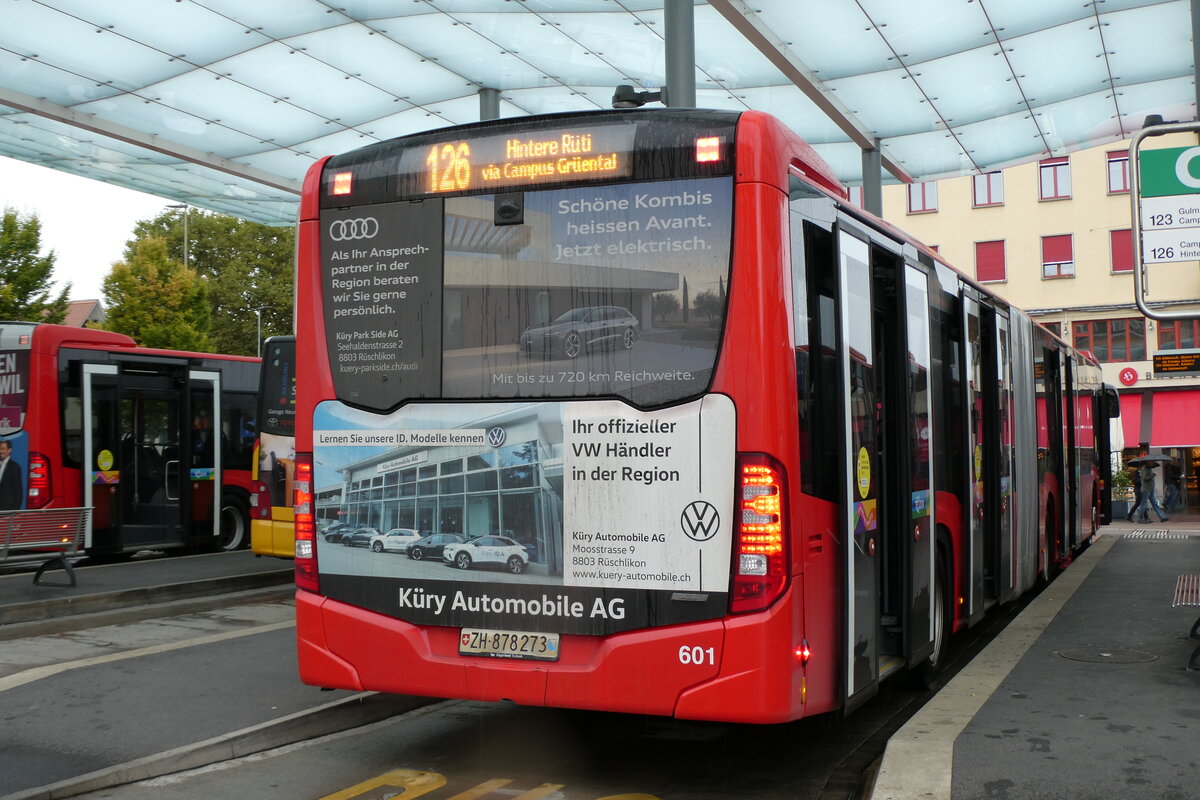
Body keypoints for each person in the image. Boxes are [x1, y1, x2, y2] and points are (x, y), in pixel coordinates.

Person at [0, 439, 23, 511]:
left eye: (3, 449)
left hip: (8, 510)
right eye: (0, 449)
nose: (0, 451)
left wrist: (14, 511)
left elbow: (18, 491)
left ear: (9, 450)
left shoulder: (14, 467)